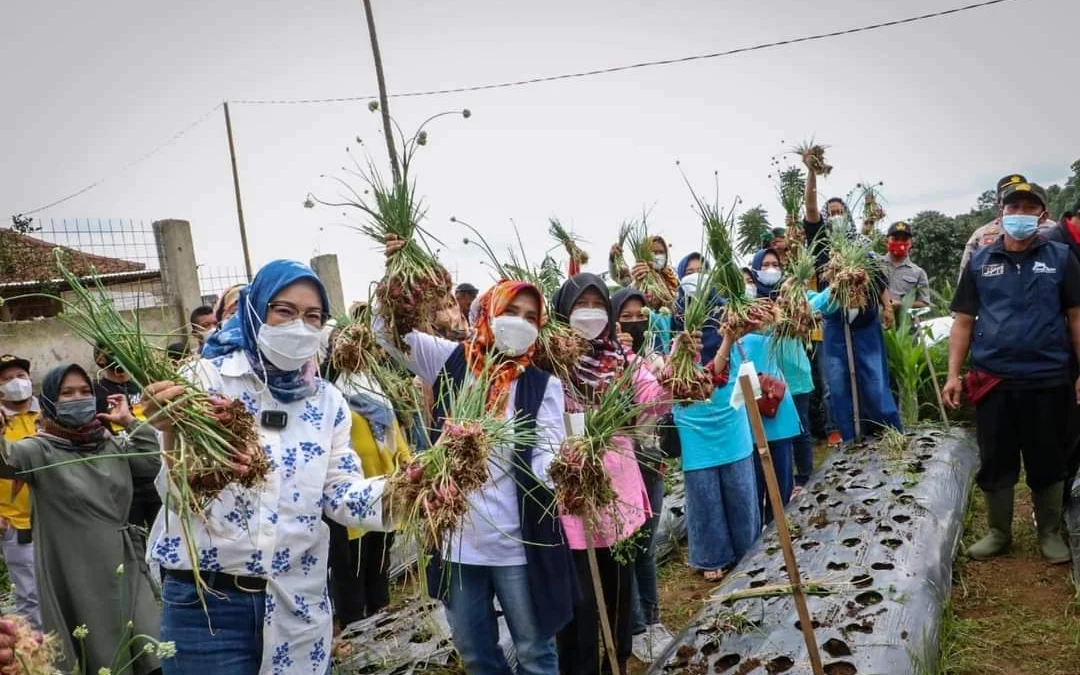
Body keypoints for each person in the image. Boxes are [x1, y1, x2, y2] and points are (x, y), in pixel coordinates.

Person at [145, 259, 390, 675]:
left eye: (313, 316)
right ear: (256, 310)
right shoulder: (204, 379)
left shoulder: (327, 401)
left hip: (297, 601)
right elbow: (178, 490)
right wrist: (168, 429)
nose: (299, 325)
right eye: (285, 311)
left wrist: (411, 492)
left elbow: (340, 493)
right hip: (207, 606)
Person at [384, 236, 577, 675]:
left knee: (534, 651)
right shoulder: (449, 360)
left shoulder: (541, 384)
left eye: (531, 317)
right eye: (511, 312)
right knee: (475, 654)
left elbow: (546, 453)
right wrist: (401, 271)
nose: (520, 323)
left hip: (517, 541)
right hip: (457, 542)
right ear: (488, 310)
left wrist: (567, 469)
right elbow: (385, 334)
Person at [944, 180, 1080, 564]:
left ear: (1042, 215)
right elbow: (963, 322)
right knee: (996, 458)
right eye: (1013, 208)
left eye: (1029, 208)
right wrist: (953, 375)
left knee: (1048, 457)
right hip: (994, 379)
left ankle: (1050, 533)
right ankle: (998, 532)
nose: (1020, 215)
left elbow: (1076, 317)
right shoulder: (981, 262)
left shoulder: (1060, 258)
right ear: (1001, 213)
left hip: (1048, 378)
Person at [0, 363, 162, 674]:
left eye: (86, 391)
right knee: (103, 655)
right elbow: (5, 461)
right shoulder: (39, 450)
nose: (79, 398)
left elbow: (150, 464)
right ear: (49, 401)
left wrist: (129, 422)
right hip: (78, 574)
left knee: (151, 648)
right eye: (67, 393)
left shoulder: (109, 442)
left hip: (125, 562)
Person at [550, 274, 666, 675]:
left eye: (598, 305)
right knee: (578, 602)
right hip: (571, 500)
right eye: (581, 305)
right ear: (563, 312)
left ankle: (615, 661)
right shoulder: (551, 367)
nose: (590, 314)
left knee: (617, 594)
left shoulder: (623, 361)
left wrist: (677, 376)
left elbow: (654, 400)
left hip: (618, 499)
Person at [802, 155, 901, 442]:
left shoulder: (862, 247)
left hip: (866, 323)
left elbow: (880, 280)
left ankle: (889, 434)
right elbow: (809, 206)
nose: (835, 216)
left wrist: (887, 308)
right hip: (835, 323)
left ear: (848, 215)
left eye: (839, 211)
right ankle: (851, 438)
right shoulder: (821, 246)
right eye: (830, 211)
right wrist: (811, 173)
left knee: (874, 378)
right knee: (839, 384)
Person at [672, 280, 760, 583]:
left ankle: (747, 549)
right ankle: (712, 555)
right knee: (704, 492)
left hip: (730, 420)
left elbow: (721, 373)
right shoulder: (678, 339)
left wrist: (729, 337)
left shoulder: (731, 333)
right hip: (694, 425)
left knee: (740, 487)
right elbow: (681, 382)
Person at [611, 288, 675, 663]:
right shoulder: (600, 364)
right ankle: (635, 626)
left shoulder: (649, 358)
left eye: (639, 315)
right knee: (626, 550)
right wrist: (620, 359)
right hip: (619, 466)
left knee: (646, 548)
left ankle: (652, 619)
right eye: (626, 315)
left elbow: (661, 401)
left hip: (649, 459)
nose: (633, 322)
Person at [327, 368, 411, 629]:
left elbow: (396, 438)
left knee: (379, 560)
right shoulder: (334, 399)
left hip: (385, 493)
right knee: (351, 567)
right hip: (347, 498)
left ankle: (381, 619)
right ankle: (354, 624)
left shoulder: (378, 393)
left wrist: (408, 470)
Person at [749, 250, 816, 493]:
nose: (770, 269)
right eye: (765, 265)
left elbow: (813, 311)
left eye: (775, 264)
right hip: (769, 378)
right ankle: (781, 485)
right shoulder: (752, 305)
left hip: (796, 372)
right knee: (778, 434)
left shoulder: (794, 297)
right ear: (755, 270)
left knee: (801, 427)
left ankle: (805, 476)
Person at [0, 354, 41, 630]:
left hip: (56, 518)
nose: (15, 382)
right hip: (16, 523)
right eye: (5, 379)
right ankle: (42, 659)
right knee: (31, 597)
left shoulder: (49, 411)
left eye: (20, 376)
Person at [958, 174, 1057, 277]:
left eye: (1029, 206)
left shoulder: (1052, 229)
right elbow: (965, 276)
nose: (1020, 212)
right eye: (1013, 204)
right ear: (999, 204)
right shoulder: (981, 235)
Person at [884, 222, 930, 309]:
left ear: (911, 243)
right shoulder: (874, 265)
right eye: (895, 239)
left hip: (904, 321)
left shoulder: (918, 272)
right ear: (887, 241)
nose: (899, 242)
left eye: (904, 239)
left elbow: (924, 302)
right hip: (873, 321)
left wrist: (902, 304)